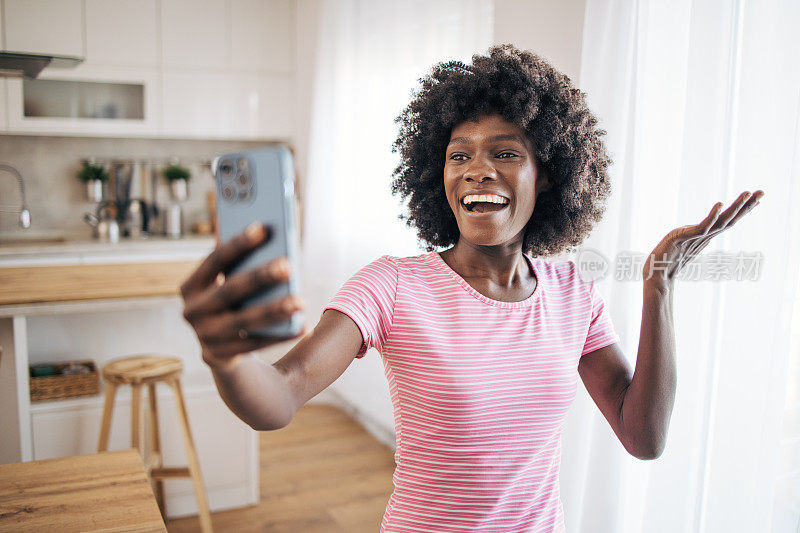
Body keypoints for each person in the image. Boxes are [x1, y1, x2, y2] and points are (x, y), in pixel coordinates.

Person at [179, 44, 763, 532]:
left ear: (548, 174)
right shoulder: (392, 285)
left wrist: (659, 290)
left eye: (505, 153)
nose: (476, 170)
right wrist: (225, 358)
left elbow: (643, 436)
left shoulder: (572, 293)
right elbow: (280, 396)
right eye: (459, 155)